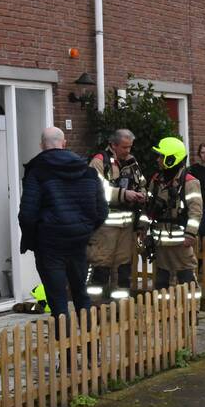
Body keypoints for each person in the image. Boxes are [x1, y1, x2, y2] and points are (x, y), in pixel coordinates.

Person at [18, 127, 107, 335]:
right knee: (81, 295)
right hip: (78, 242)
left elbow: (27, 214)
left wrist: (32, 239)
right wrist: (85, 229)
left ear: (42, 145)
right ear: (64, 143)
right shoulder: (88, 170)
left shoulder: (37, 170)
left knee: (58, 301)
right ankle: (88, 350)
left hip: (50, 245)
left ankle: (66, 358)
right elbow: (102, 210)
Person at [86, 128, 147, 301]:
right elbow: (96, 190)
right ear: (113, 145)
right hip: (105, 227)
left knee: (123, 269)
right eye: (124, 147)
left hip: (126, 226)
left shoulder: (132, 162)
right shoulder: (99, 162)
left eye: (130, 147)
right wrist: (123, 194)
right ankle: (94, 308)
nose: (128, 151)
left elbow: (141, 182)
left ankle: (120, 307)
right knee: (101, 267)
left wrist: (141, 193)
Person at [139, 137, 204, 291]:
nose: (158, 160)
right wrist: (142, 228)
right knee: (162, 280)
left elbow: (196, 211)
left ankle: (190, 311)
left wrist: (190, 234)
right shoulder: (156, 180)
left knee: (186, 279)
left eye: (161, 156)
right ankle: (164, 311)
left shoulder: (189, 182)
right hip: (160, 241)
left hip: (180, 242)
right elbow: (147, 208)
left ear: (171, 158)